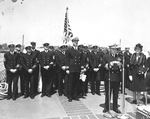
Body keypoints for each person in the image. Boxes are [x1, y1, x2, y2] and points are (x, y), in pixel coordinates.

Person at [103, 45, 122, 113]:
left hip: (117, 77)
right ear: (110, 49)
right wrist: (108, 65)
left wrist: (120, 65)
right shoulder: (106, 56)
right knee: (108, 93)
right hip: (109, 77)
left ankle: (115, 107)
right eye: (113, 49)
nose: (114, 50)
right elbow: (103, 65)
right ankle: (107, 107)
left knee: (116, 93)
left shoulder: (119, 56)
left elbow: (123, 66)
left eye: (115, 49)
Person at [65, 37, 83, 102]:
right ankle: (70, 96)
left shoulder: (80, 50)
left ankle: (75, 96)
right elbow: (67, 60)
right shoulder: (69, 50)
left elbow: (81, 60)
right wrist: (67, 68)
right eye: (75, 42)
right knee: (71, 83)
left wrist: (82, 68)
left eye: (77, 42)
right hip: (71, 69)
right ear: (72, 42)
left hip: (77, 69)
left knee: (76, 83)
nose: (76, 43)